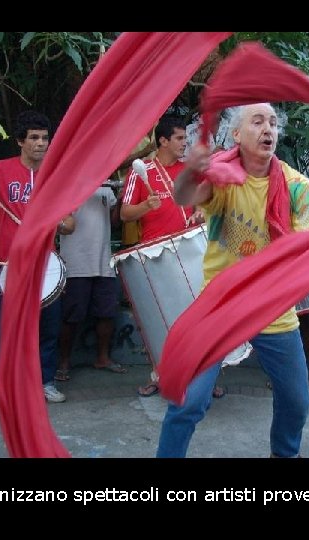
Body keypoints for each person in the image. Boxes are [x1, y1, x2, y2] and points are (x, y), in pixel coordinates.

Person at [159, 102, 309, 458]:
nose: (268, 129)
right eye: (258, 121)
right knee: (189, 401)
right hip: (220, 307)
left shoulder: (295, 186)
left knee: (297, 401)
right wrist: (191, 172)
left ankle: (284, 455)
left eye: (273, 123)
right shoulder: (223, 177)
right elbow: (185, 196)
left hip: (272, 307)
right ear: (236, 134)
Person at [0, 110, 75, 412]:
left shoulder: (55, 175)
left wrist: (60, 222)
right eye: (34, 138)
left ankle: (44, 382)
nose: (41, 143)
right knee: (3, 332)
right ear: (20, 141)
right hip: (5, 266)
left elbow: (70, 223)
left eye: (45, 138)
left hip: (45, 268)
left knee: (48, 330)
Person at [118, 115, 222, 398]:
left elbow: (204, 205)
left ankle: (204, 378)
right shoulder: (140, 172)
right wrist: (145, 206)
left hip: (189, 254)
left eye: (185, 138)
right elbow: (125, 214)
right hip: (155, 258)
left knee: (197, 320)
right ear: (163, 141)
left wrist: (199, 212)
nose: (184, 143)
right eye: (179, 138)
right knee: (160, 320)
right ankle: (160, 375)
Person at [56, 184, 125, 382]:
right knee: (71, 315)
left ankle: (103, 358)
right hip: (75, 262)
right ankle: (63, 362)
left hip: (103, 261)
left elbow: (115, 222)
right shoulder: (66, 185)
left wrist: (120, 200)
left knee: (107, 313)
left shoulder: (106, 187)